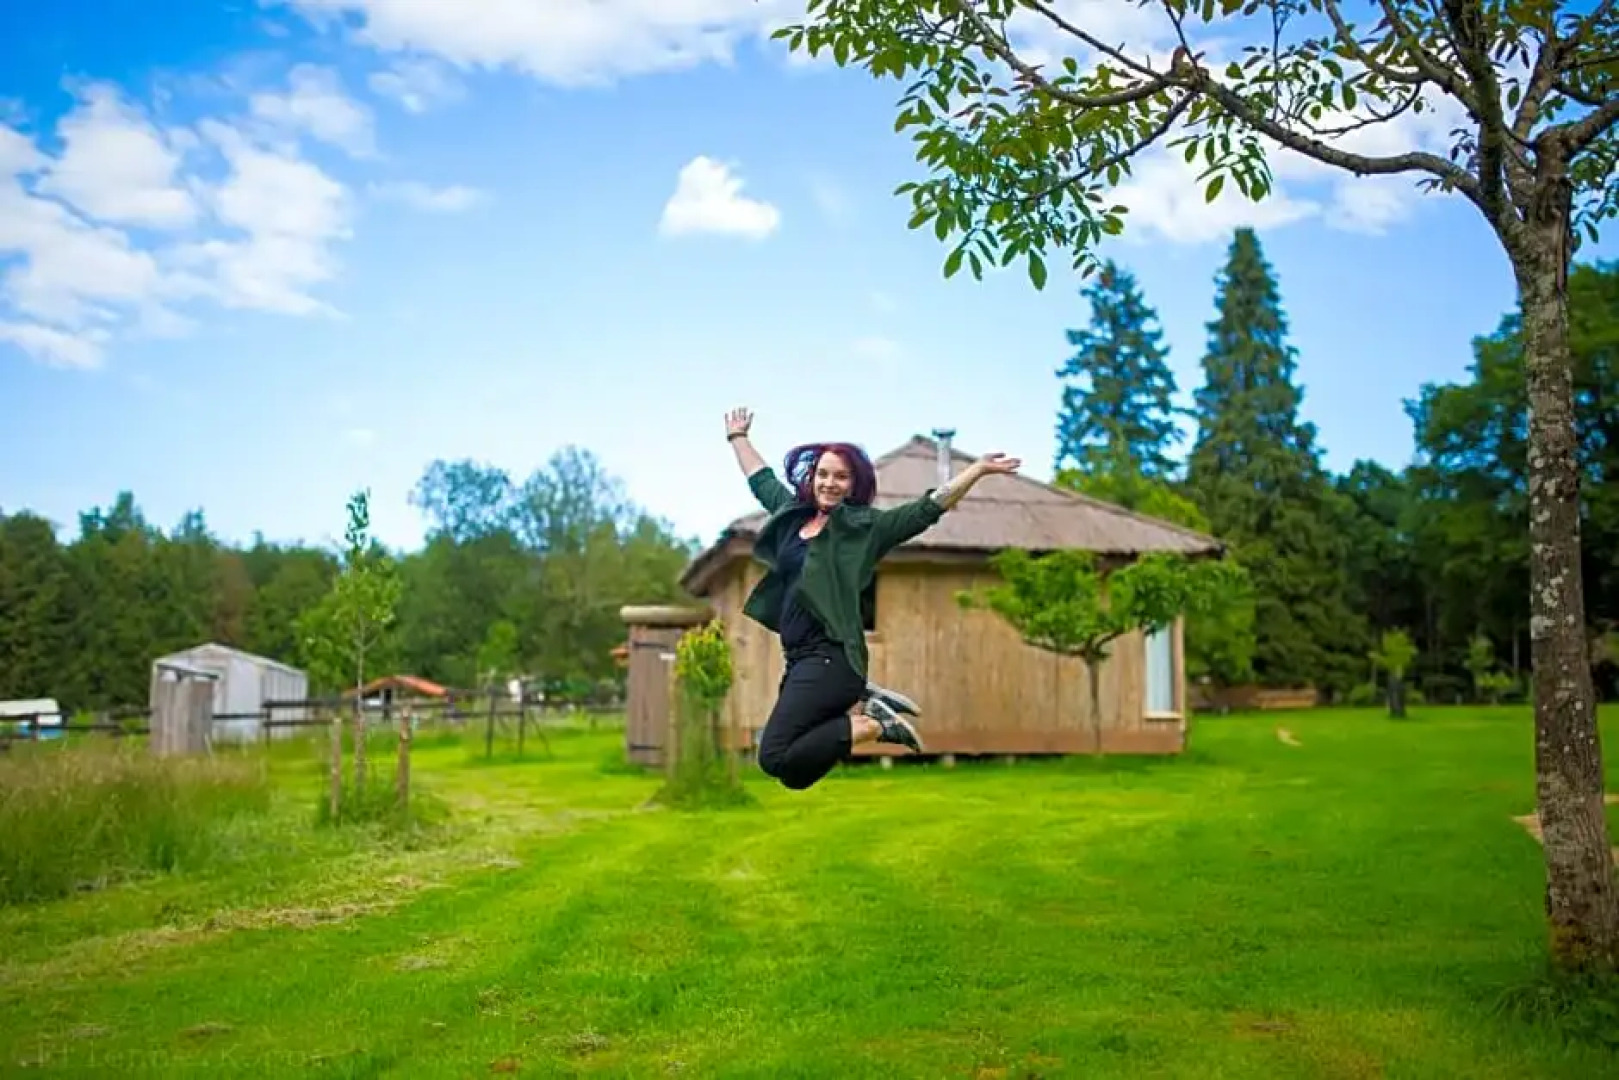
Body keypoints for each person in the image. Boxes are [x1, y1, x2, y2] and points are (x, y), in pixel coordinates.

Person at [724, 406, 1021, 791]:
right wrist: (738, 438)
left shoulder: (866, 529)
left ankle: (874, 724)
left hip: (830, 657)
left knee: (772, 754)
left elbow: (928, 508)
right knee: (793, 774)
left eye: (840, 477)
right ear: (812, 478)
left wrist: (977, 470)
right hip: (798, 659)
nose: (829, 483)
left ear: (853, 484)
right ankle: (867, 706)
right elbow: (760, 478)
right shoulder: (792, 516)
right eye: (823, 474)